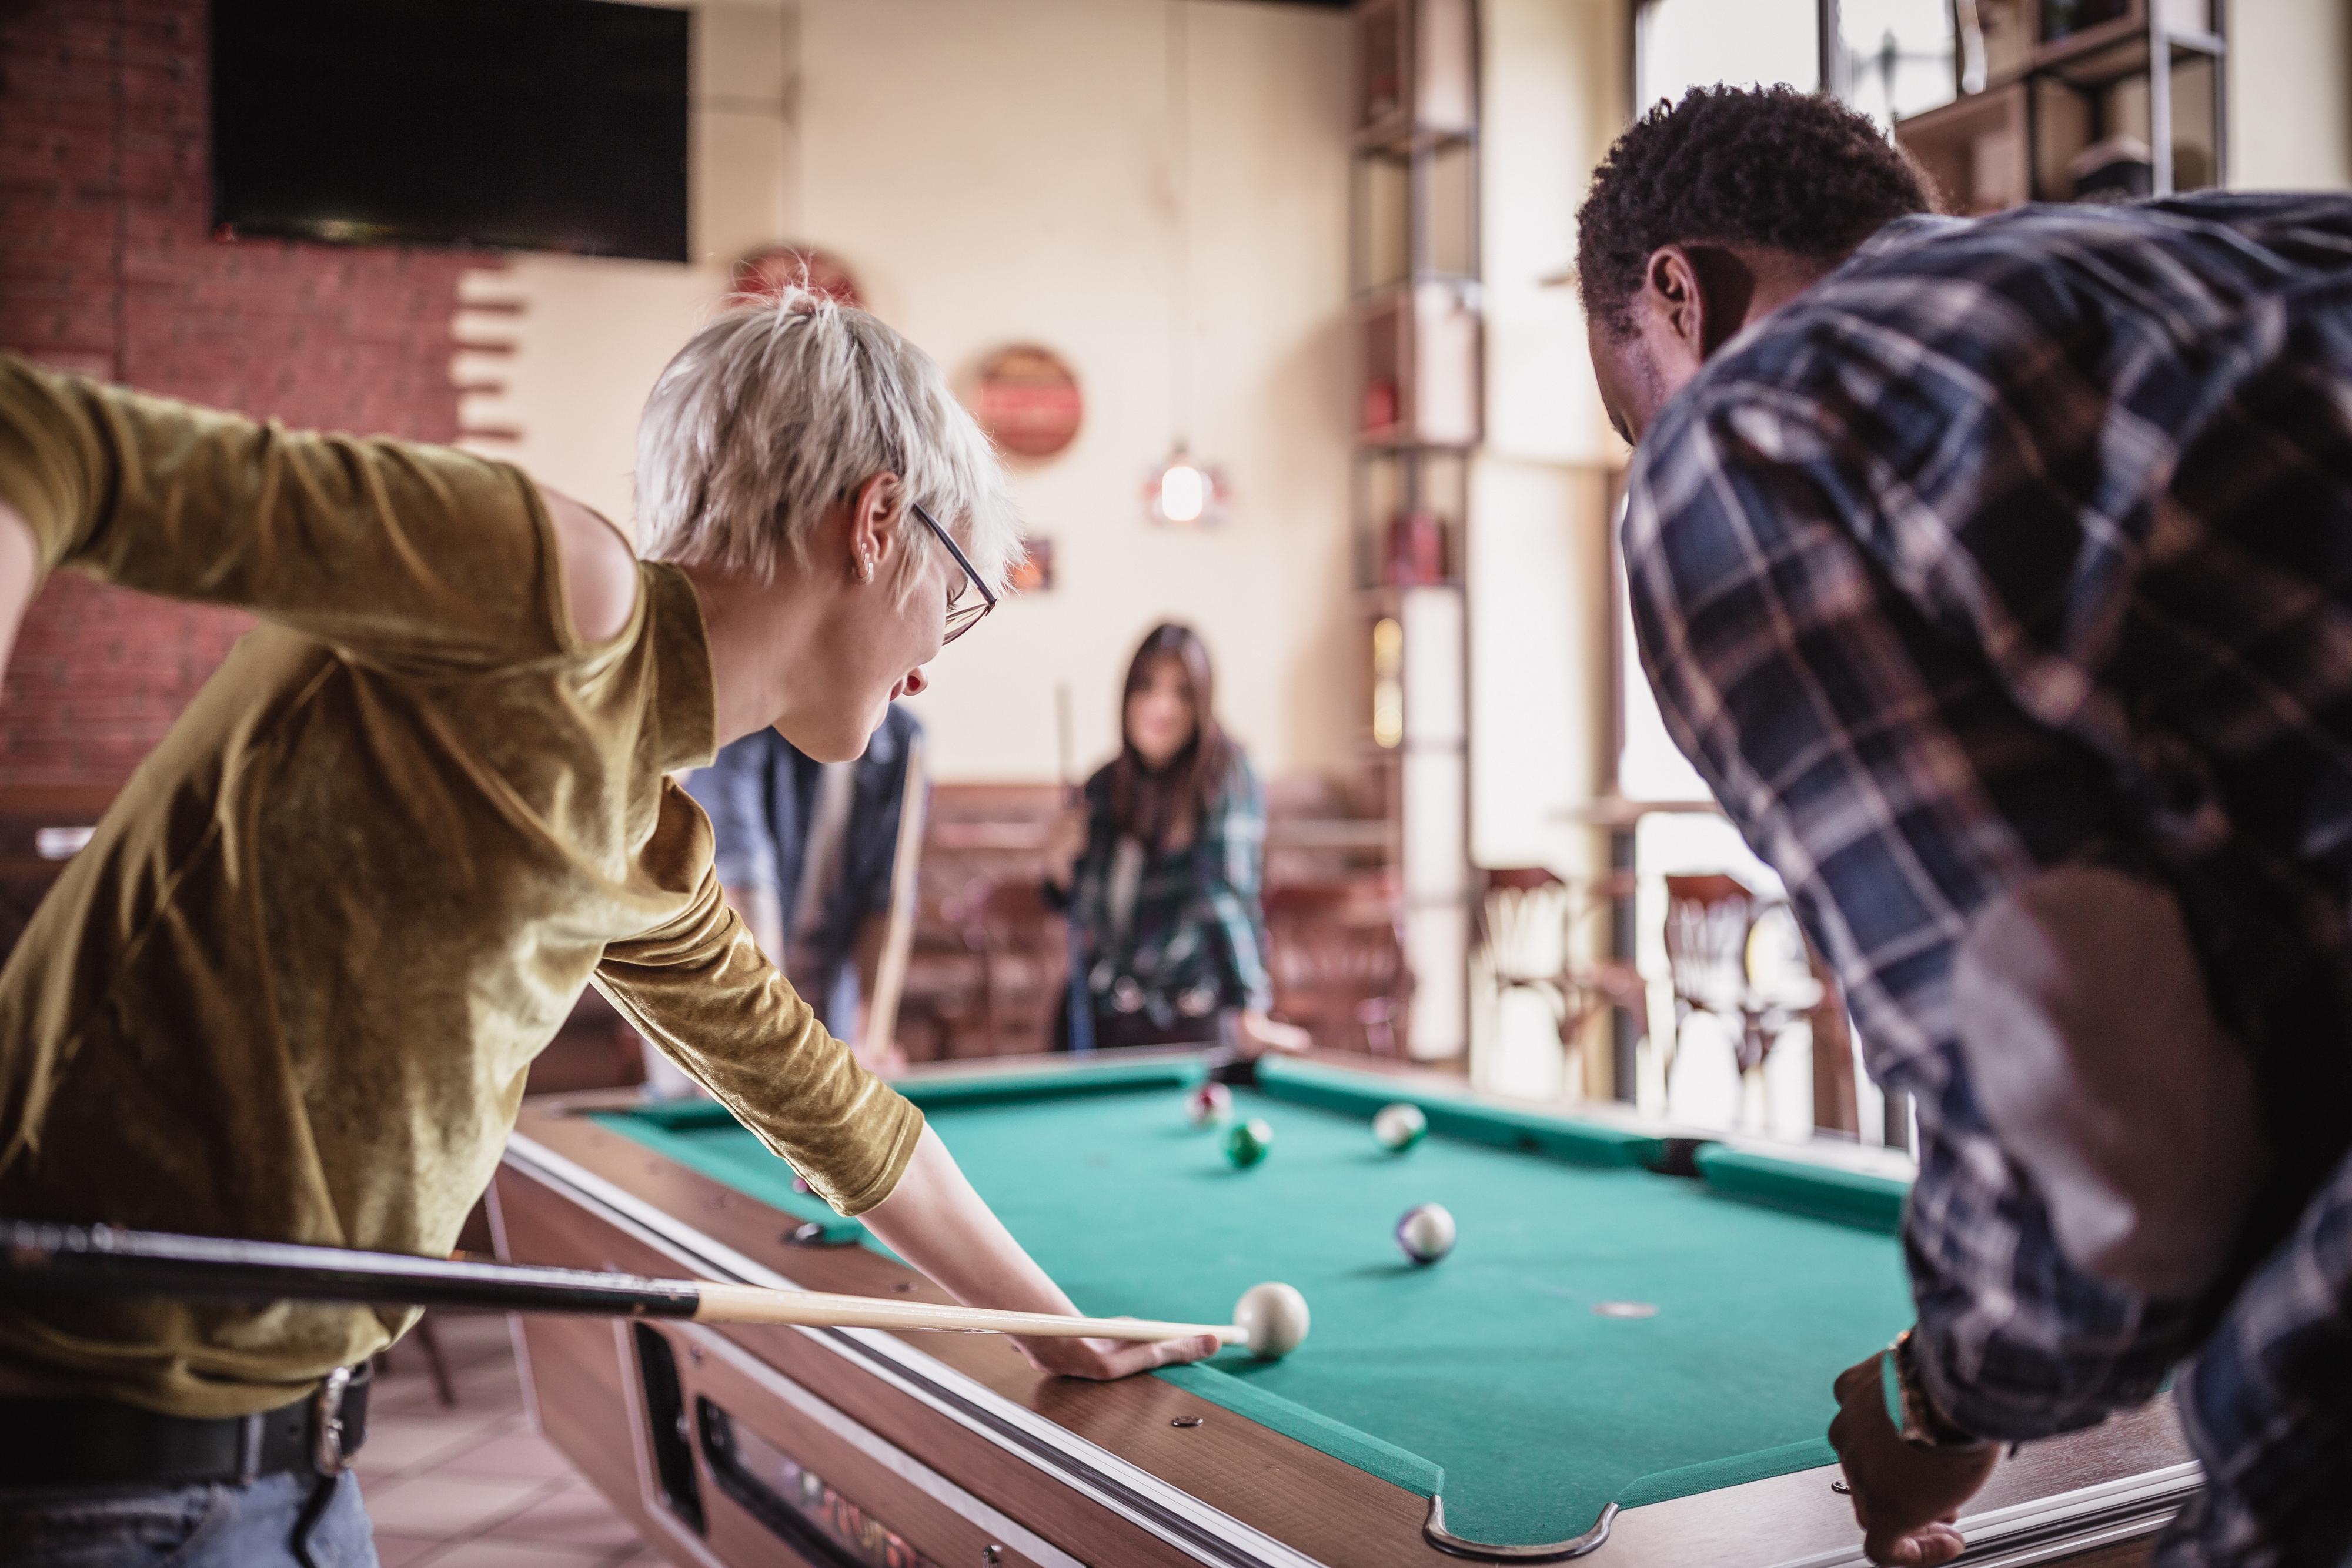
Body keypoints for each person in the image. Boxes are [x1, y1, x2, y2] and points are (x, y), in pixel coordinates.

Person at [0, 292, 1215, 1567]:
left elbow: (842, 1120)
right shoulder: (550, 594)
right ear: (872, 523)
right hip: (94, 1475)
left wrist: (1059, 1328)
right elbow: (44, 437)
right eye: (955, 591)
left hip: (299, 1474)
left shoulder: (642, 837)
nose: (930, 661)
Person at [1576, 85, 2352, 1567]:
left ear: (1673, 291)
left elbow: (2115, 1160)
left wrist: (1940, 1400)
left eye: (1631, 412)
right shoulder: (2268, 247)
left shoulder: (1750, 432)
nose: (1648, 457)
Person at [1044, 624, 1309, 1055]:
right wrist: (1058, 865)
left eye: (1183, 692)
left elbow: (1224, 895)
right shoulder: (1101, 785)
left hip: (1192, 1025)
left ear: (1201, 703)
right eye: (1147, 686)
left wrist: (1247, 1010)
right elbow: (1079, 908)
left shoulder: (1226, 774)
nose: (1161, 705)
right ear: (1127, 694)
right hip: (1103, 1022)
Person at [667, 703, 924, 1083]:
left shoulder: (903, 738)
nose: (919, 677)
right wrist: (771, 1044)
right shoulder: (747, 714)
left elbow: (885, 898)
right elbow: (742, 885)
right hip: (719, 984)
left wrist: (870, 1037)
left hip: (826, 990)